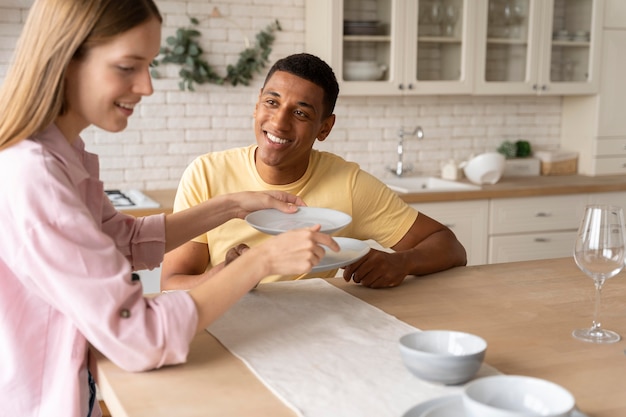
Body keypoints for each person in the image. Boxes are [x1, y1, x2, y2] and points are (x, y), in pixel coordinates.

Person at [0, 2, 339, 417]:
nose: (146, 86)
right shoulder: (34, 175)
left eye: (149, 66)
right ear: (66, 59)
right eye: (128, 66)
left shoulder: (64, 153)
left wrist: (234, 204)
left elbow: (121, 240)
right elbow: (138, 336)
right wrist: (261, 261)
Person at [161, 53, 467, 292]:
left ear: (325, 127)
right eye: (271, 102)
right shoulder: (206, 173)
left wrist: (402, 262)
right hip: (225, 323)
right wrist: (226, 277)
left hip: (312, 327)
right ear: (257, 106)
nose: (279, 123)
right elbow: (171, 283)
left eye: (300, 113)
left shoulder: (348, 185)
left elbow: (449, 245)